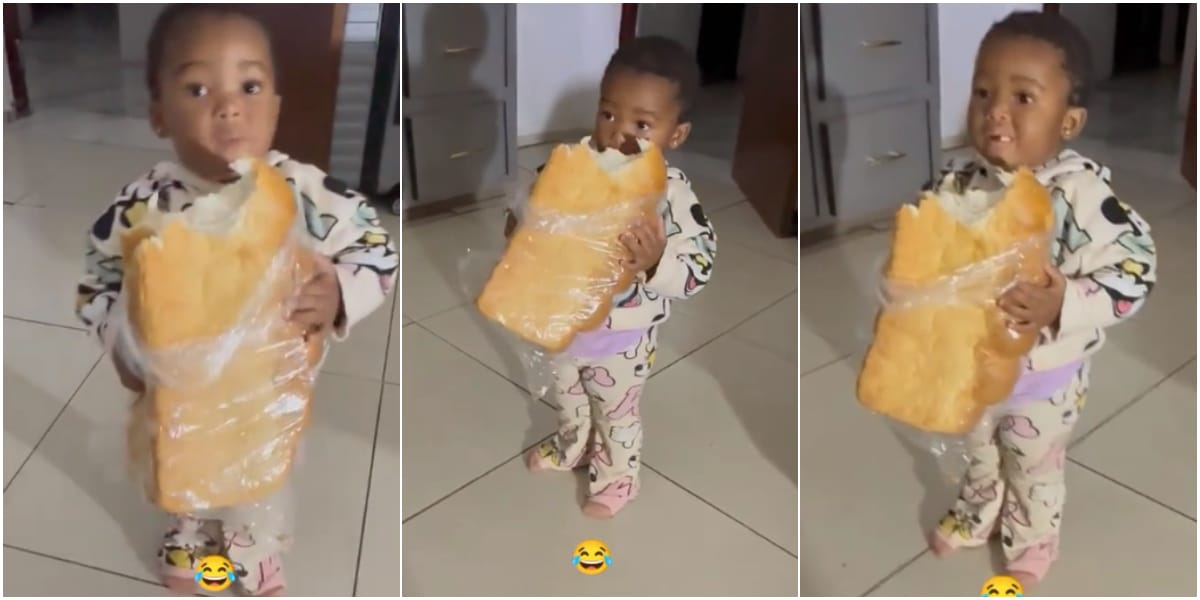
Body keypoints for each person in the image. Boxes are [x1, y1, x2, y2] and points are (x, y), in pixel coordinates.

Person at [74, 5, 397, 595]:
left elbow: (377, 249)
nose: (228, 106)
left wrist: (338, 295)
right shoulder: (141, 206)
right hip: (177, 398)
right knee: (182, 462)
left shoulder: (307, 193)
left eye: (250, 86)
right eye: (197, 88)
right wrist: (120, 343)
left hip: (267, 392)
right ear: (158, 114)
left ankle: (254, 539)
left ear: (275, 106)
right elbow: (96, 280)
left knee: (257, 478)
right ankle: (188, 531)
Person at [924, 12, 1156, 588]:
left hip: (1042, 382)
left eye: (1023, 97)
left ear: (1069, 120)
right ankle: (978, 510)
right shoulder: (957, 181)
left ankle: (1031, 538)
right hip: (972, 366)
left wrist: (1066, 303)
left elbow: (1136, 271)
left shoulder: (1082, 196)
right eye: (983, 92)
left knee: (1031, 467)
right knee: (977, 448)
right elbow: (930, 255)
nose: (995, 110)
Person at [507, 36, 718, 518]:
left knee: (616, 414)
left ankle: (619, 474)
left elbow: (699, 269)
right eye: (608, 114)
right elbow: (527, 211)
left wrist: (657, 260)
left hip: (623, 340)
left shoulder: (674, 197)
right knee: (568, 397)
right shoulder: (565, 167)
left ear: (676, 135)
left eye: (642, 124)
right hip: (563, 323)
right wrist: (522, 228)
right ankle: (573, 445)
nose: (619, 133)